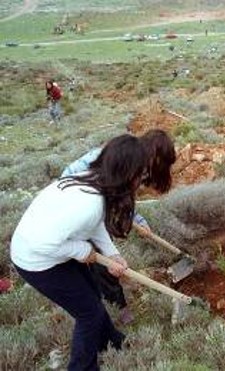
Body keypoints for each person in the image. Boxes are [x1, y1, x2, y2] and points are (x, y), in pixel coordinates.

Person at [11, 134, 146, 370]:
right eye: (140, 174)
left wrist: (112, 254)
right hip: (36, 260)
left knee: (92, 295)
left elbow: (92, 223)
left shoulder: (92, 180)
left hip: (52, 248)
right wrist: (81, 249)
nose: (141, 181)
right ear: (127, 174)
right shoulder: (89, 203)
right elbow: (44, 243)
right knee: (89, 314)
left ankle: (112, 342)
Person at [61, 129, 177, 324]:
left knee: (106, 256)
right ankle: (118, 307)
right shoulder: (122, 159)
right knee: (103, 263)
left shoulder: (137, 163)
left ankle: (102, 294)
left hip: (96, 204)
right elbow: (106, 194)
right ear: (154, 154)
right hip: (76, 207)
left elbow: (123, 196)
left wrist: (137, 220)